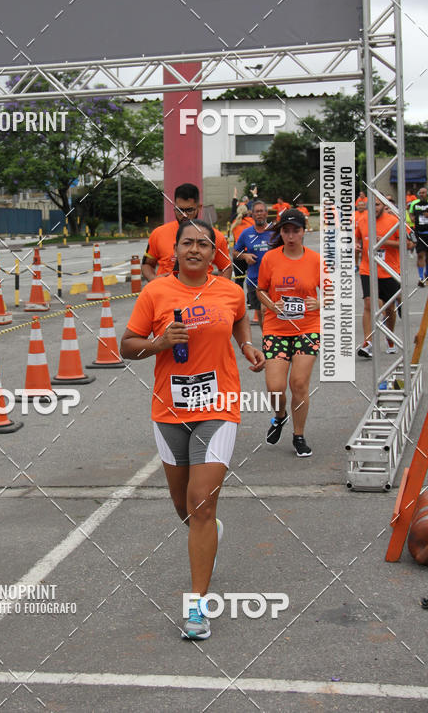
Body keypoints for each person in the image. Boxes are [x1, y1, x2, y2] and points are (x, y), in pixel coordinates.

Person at [121, 219, 265, 640]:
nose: (196, 249)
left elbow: (238, 317)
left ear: (214, 252)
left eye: (205, 243)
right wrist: (159, 343)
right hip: (169, 411)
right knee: (184, 505)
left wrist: (245, 344)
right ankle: (209, 534)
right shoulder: (156, 292)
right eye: (188, 243)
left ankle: (197, 608)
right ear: (175, 250)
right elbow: (127, 345)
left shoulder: (231, 291)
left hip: (218, 406)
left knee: (202, 504)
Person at [256, 208, 321, 458]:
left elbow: (333, 290)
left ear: (304, 232)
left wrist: (321, 302)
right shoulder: (270, 259)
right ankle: (280, 415)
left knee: (299, 383)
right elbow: (260, 289)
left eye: (296, 230)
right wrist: (270, 305)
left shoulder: (315, 260)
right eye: (286, 231)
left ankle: (299, 435)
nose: (291, 235)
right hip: (276, 329)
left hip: (307, 328)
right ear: (280, 232)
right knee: (275, 387)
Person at [141, 184, 231, 283]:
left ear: (199, 207)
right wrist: (153, 280)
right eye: (179, 210)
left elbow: (226, 268)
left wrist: (220, 291)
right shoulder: (158, 233)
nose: (184, 215)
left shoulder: (215, 236)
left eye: (189, 210)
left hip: (201, 296)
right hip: (165, 295)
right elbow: (147, 264)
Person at [355, 197, 406, 357]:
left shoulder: (394, 221)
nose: (374, 207)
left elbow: (407, 243)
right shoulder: (362, 220)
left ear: (384, 205)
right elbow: (357, 238)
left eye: (377, 204)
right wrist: (356, 245)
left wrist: (385, 242)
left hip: (389, 270)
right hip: (368, 269)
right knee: (369, 304)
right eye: (372, 204)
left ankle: (389, 338)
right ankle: (367, 343)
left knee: (389, 309)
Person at [233, 200, 273, 326]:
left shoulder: (275, 231)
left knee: (269, 310)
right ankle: (266, 338)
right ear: (252, 214)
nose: (259, 214)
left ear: (266, 213)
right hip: (254, 280)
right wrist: (245, 256)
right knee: (260, 313)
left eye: (261, 211)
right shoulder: (246, 233)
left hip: (274, 280)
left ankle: (273, 337)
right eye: (256, 212)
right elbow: (234, 253)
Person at [411, 187, 428, 286]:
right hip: (419, 234)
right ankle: (421, 278)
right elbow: (411, 214)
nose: (421, 194)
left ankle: (426, 274)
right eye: (420, 193)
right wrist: (413, 219)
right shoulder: (414, 204)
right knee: (420, 255)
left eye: (423, 193)